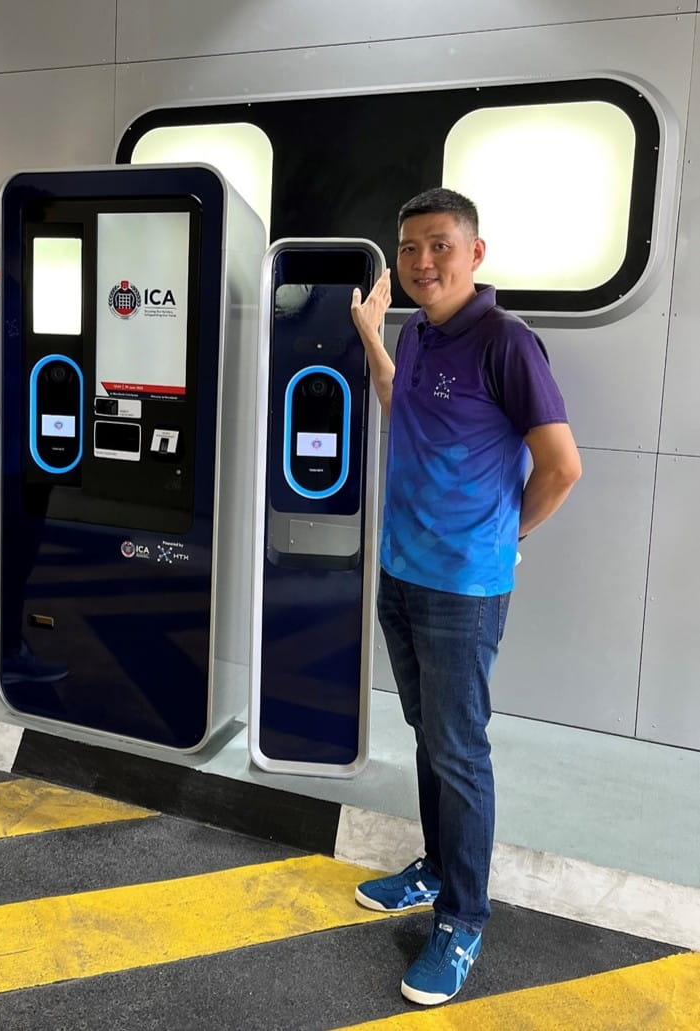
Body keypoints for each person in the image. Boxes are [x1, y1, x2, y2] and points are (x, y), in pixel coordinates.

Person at [349, 188, 581, 1006]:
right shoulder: (417, 334)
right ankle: (436, 866)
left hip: (462, 588)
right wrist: (374, 340)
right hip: (402, 572)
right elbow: (398, 406)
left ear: (474, 254)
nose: (421, 262)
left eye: (438, 246)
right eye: (408, 248)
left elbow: (561, 467)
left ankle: (463, 918)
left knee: (458, 748)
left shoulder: (506, 343)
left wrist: (502, 536)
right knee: (428, 734)